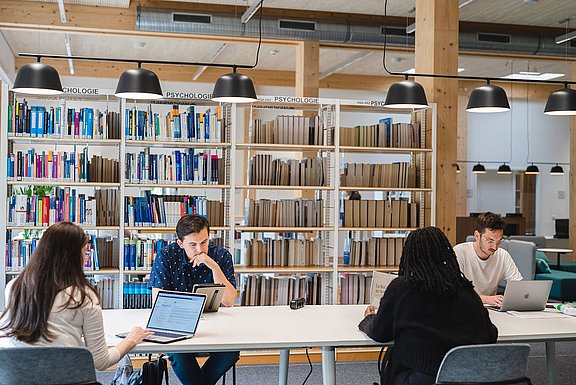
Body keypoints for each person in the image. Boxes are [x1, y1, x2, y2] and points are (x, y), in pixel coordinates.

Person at [0, 222, 152, 370]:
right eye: (85, 252)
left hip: (17, 377)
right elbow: (100, 361)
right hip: (67, 378)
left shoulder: (14, 287)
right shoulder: (83, 297)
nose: (86, 258)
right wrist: (131, 339)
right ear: (72, 257)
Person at [359, 226, 497, 385]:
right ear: (446, 254)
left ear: (409, 256)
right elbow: (491, 335)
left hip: (423, 379)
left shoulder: (402, 288)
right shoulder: (467, 291)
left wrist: (369, 318)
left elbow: (379, 333)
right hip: (469, 378)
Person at [148, 214, 238, 385]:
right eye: (193, 244)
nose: (200, 249)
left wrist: (214, 267)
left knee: (231, 351)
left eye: (204, 242)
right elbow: (158, 302)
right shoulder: (166, 256)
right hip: (178, 326)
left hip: (215, 327)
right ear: (180, 243)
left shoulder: (221, 255)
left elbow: (229, 300)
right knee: (178, 354)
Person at [453, 212, 523, 307]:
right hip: (465, 307)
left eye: (499, 241)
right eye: (490, 241)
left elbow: (518, 285)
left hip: (491, 308)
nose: (495, 247)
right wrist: (487, 299)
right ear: (477, 236)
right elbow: (456, 292)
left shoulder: (502, 255)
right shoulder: (459, 253)